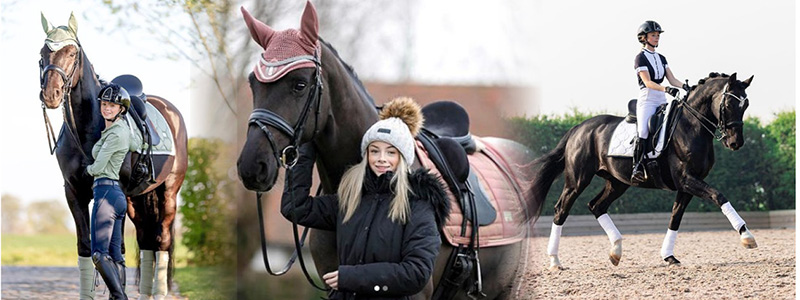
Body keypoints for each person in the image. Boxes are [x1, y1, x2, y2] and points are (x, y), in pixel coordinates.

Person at [281, 97, 449, 299]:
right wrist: (306, 146)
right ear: (366, 154)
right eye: (374, 151)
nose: (381, 159)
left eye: (391, 152)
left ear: (403, 158)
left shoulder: (419, 205)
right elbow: (295, 207)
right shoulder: (350, 198)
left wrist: (351, 278)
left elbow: (417, 273)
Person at [85, 83, 135, 300]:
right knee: (115, 256)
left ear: (121, 109)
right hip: (116, 197)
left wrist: (86, 169)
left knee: (98, 254)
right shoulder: (118, 130)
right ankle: (119, 296)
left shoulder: (116, 135)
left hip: (105, 194)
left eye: (112, 105)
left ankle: (120, 297)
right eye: (105, 104)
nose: (107, 108)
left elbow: (97, 167)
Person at [631, 20, 685, 183]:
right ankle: (637, 167)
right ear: (644, 38)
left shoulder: (661, 58)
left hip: (661, 99)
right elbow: (647, 82)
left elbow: (672, 79)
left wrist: (687, 86)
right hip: (647, 99)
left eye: (657, 35)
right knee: (643, 132)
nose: (656, 38)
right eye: (653, 35)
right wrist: (666, 89)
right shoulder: (640, 58)